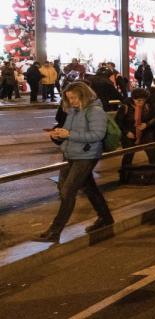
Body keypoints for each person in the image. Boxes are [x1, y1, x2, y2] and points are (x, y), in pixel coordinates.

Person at [38, 82, 114, 242]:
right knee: (88, 188)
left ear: (83, 95)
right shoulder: (73, 111)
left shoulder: (95, 111)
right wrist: (58, 134)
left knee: (67, 191)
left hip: (86, 156)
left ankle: (55, 230)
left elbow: (97, 135)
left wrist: (69, 134)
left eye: (73, 97)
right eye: (68, 98)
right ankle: (106, 218)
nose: (71, 101)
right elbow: (68, 131)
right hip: (71, 153)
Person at [115, 88, 155, 168]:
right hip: (130, 135)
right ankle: (125, 176)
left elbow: (154, 118)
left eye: (143, 100)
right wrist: (126, 132)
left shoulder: (148, 105)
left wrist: (146, 124)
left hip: (145, 133)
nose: (141, 103)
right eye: (138, 100)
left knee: (152, 155)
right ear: (133, 99)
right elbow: (118, 121)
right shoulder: (125, 106)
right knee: (128, 156)